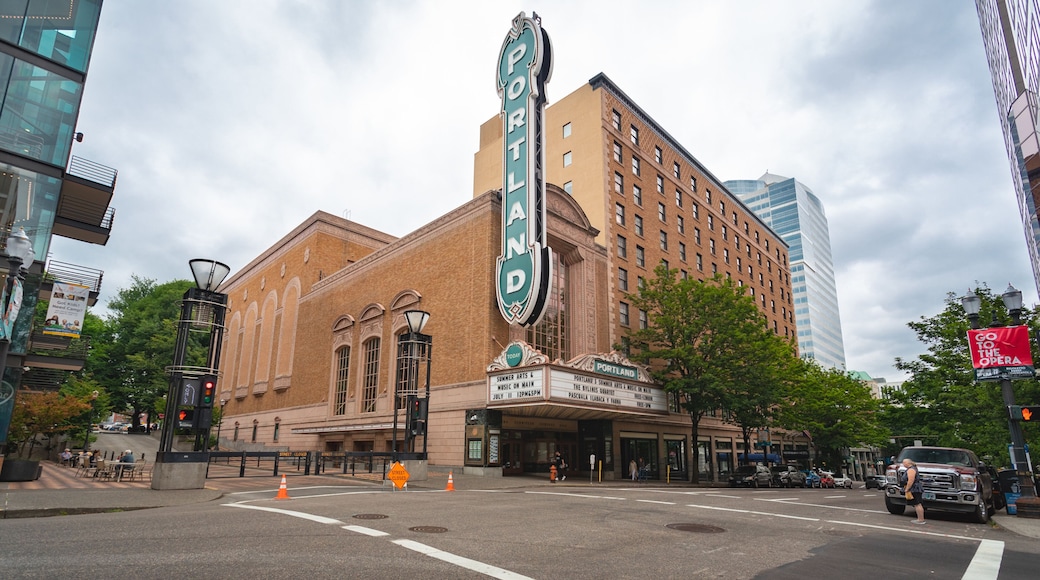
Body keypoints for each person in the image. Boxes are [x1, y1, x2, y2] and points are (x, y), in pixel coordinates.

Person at [902, 458, 925, 524]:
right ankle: (920, 519)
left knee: (917, 503)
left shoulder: (911, 470)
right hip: (915, 488)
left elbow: (911, 480)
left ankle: (920, 519)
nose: (903, 464)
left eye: (904, 462)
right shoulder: (913, 468)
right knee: (917, 503)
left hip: (914, 488)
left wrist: (907, 489)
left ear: (908, 463)